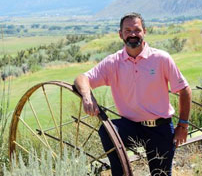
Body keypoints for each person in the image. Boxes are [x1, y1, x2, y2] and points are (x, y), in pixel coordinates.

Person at [74, 12, 192, 176]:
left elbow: (185, 90)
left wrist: (183, 125)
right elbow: (82, 78)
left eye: (136, 30)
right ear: (120, 34)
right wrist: (87, 95)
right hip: (130, 127)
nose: (132, 34)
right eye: (127, 30)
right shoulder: (113, 62)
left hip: (160, 127)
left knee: (161, 174)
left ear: (144, 31)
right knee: (108, 130)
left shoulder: (161, 58)